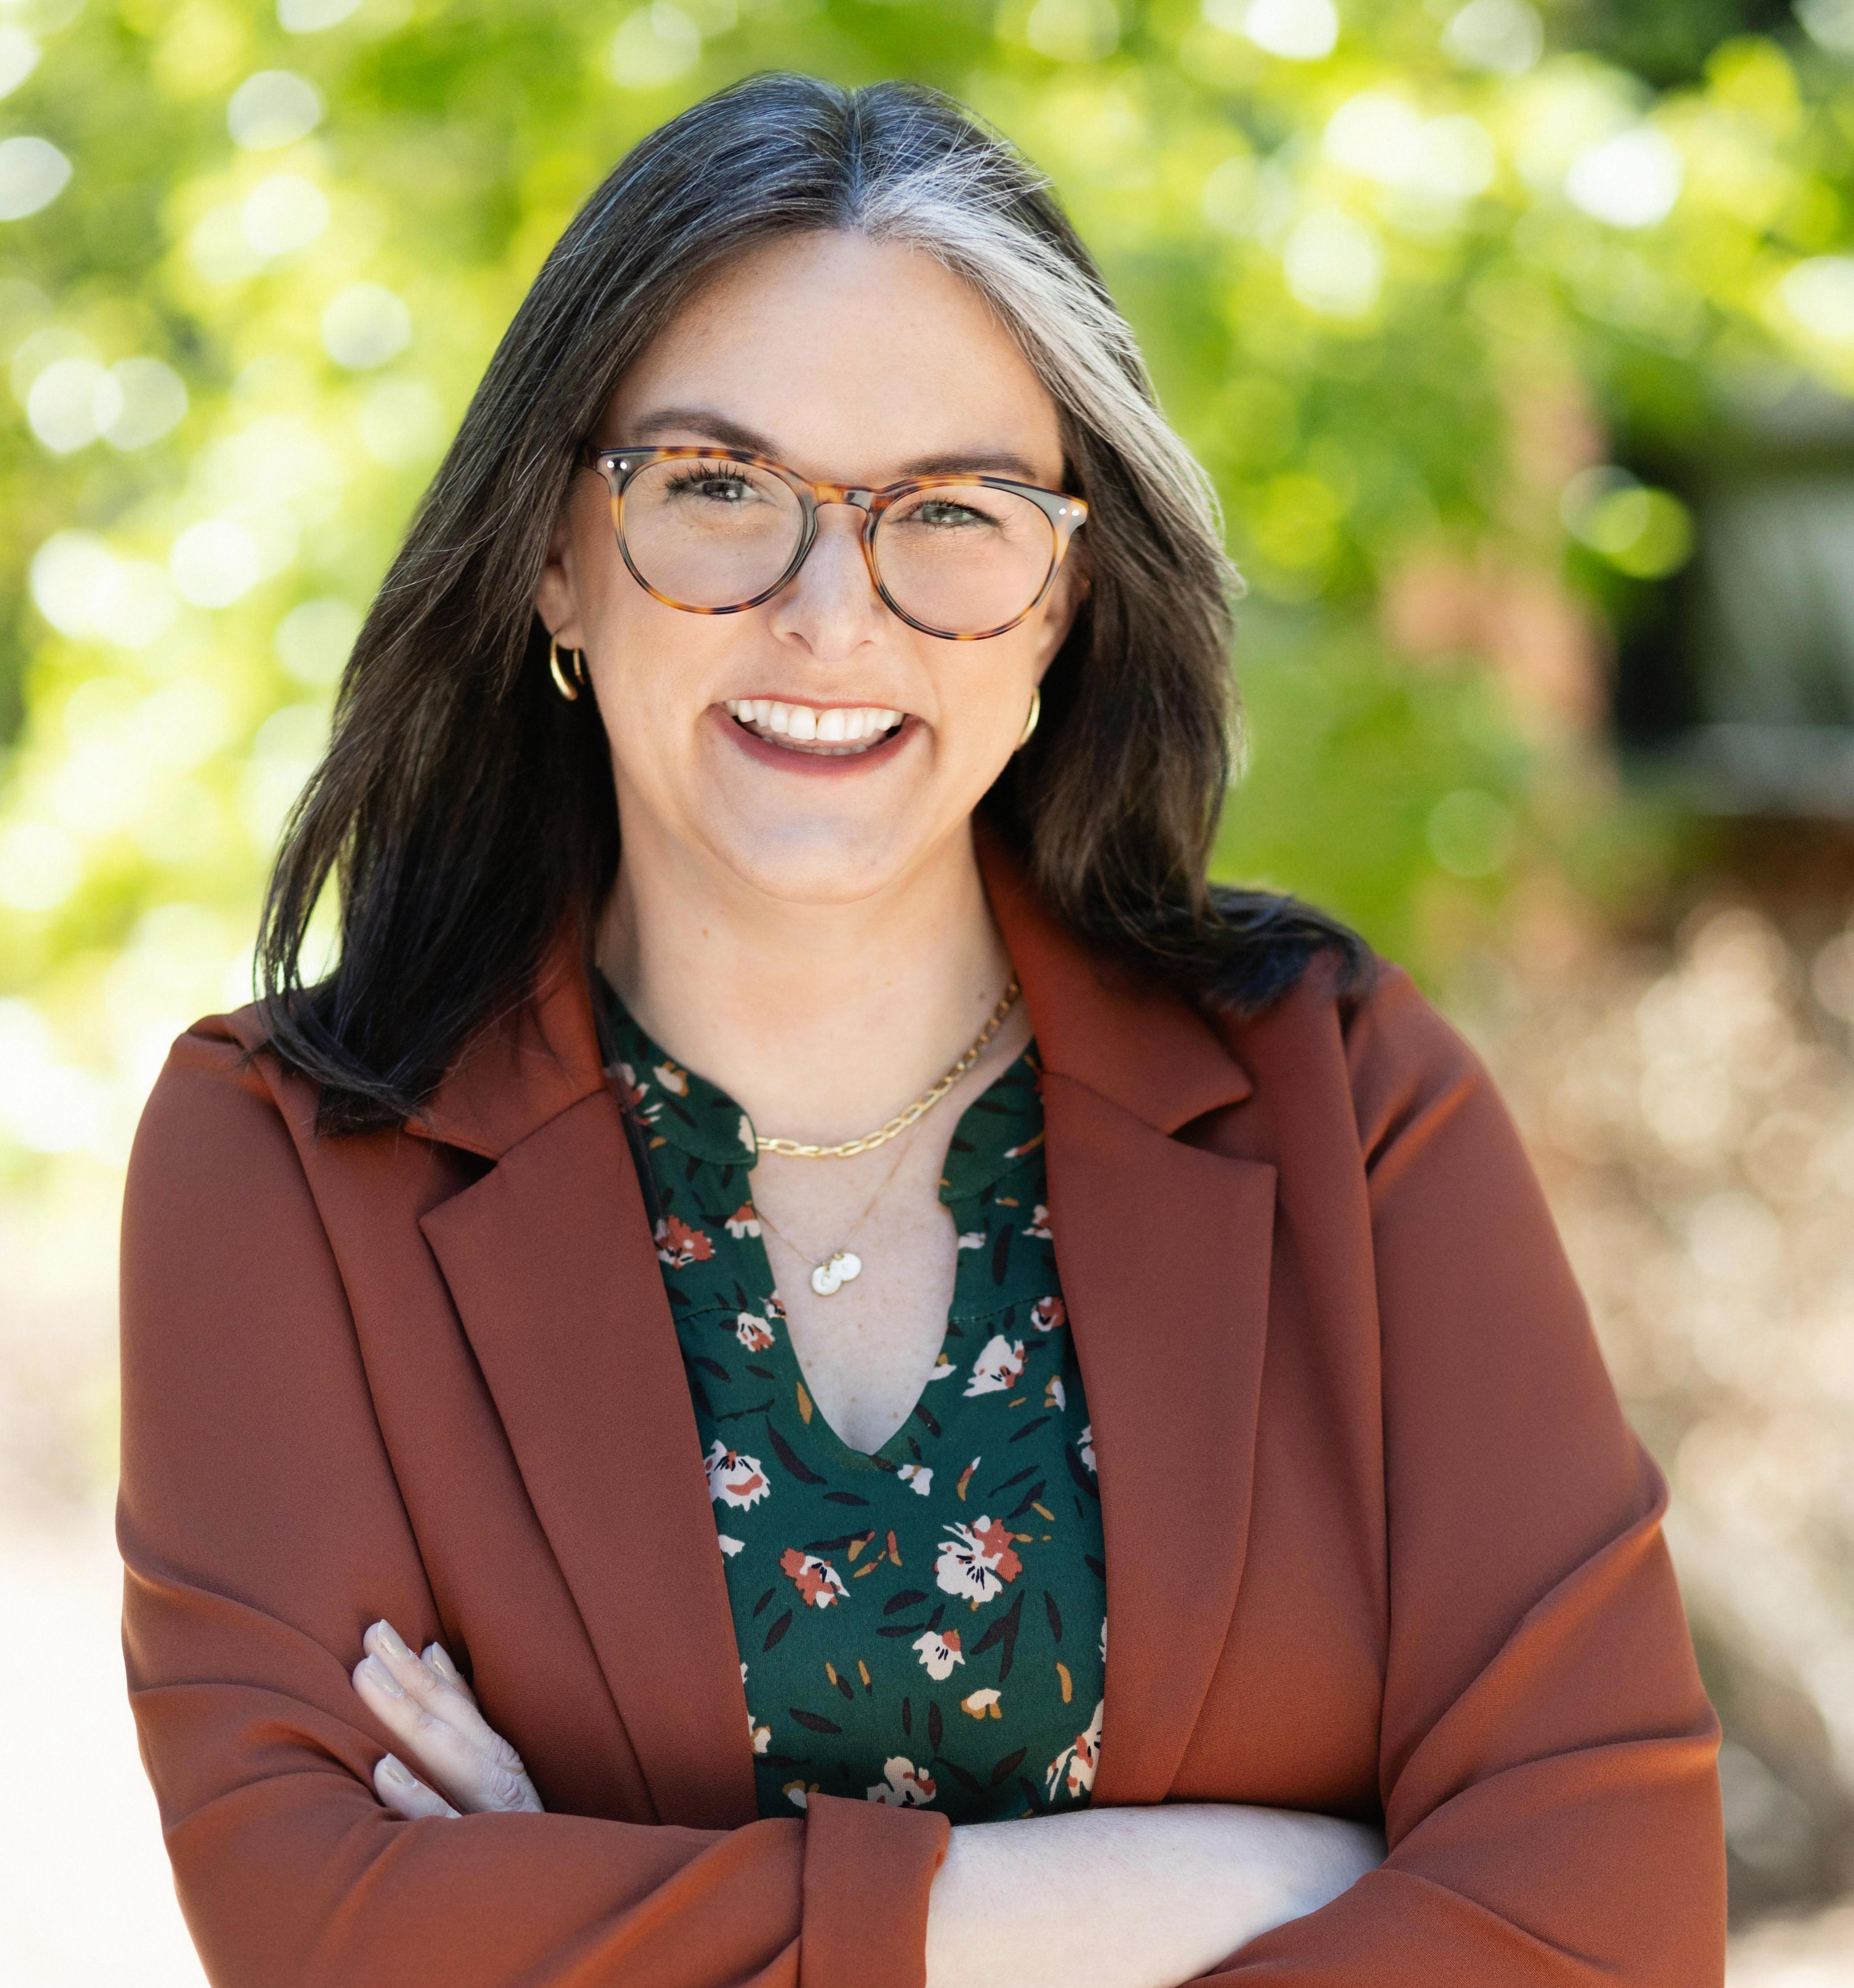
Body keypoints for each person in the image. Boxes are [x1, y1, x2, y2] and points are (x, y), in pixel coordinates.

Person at [118, 72, 1725, 1988]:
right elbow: (326, 1944)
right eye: (718, 492)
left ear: (1059, 604)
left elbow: (1607, 1925)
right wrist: (1237, 1888)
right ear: (552, 552)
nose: (831, 618)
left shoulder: (1346, 1103)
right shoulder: (288, 1166)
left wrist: (592, 1906)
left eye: (951, 516)